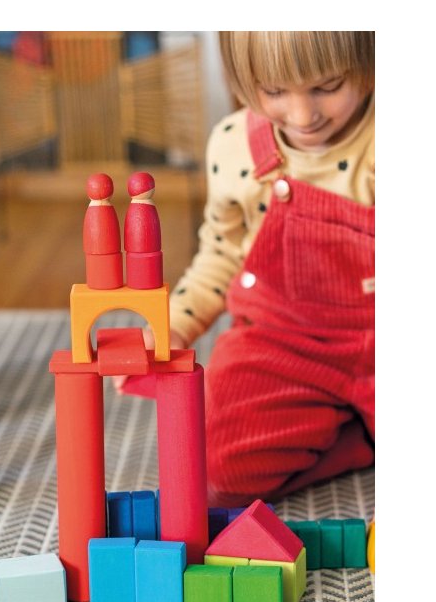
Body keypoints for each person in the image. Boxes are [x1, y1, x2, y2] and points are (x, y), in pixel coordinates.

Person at [118, 31, 375, 506]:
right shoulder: (233, 146)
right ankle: (355, 436)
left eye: (328, 86)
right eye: (274, 91)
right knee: (214, 469)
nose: (303, 115)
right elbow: (221, 255)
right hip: (283, 340)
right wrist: (171, 326)